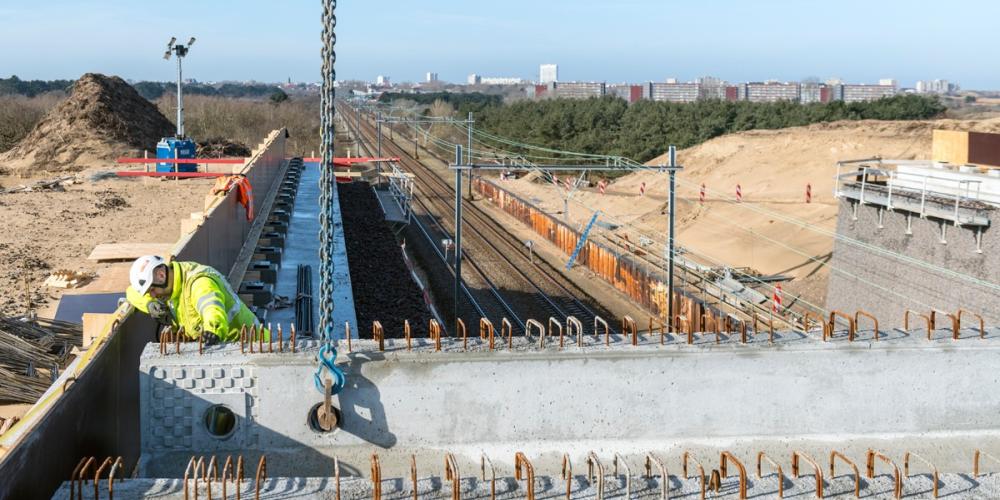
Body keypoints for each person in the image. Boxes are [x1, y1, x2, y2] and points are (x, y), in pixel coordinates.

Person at [126, 255, 266, 343]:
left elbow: (211, 307)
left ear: (161, 275)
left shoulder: (198, 283)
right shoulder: (170, 288)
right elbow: (131, 292)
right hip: (231, 346)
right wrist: (149, 304)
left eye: (152, 290)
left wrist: (212, 331)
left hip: (255, 345)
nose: (154, 295)